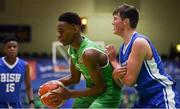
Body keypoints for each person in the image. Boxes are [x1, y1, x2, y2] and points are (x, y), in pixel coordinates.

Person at [105, 3, 180, 108]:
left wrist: (113, 61)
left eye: (115, 19)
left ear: (126, 22)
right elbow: (123, 83)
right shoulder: (122, 48)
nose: (112, 22)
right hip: (144, 99)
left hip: (161, 95)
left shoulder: (139, 42)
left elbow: (130, 81)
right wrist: (115, 76)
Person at [48, 12, 122, 108]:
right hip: (93, 91)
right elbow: (74, 78)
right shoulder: (72, 49)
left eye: (61, 31)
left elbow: (101, 87)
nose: (59, 35)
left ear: (75, 29)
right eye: (58, 32)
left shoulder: (88, 54)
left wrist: (69, 94)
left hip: (108, 94)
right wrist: (52, 84)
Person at [0, 36, 34, 108]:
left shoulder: (25, 65)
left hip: (16, 104)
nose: (12, 49)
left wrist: (31, 103)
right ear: (4, 49)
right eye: (9, 47)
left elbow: (28, 87)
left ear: (17, 48)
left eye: (14, 46)